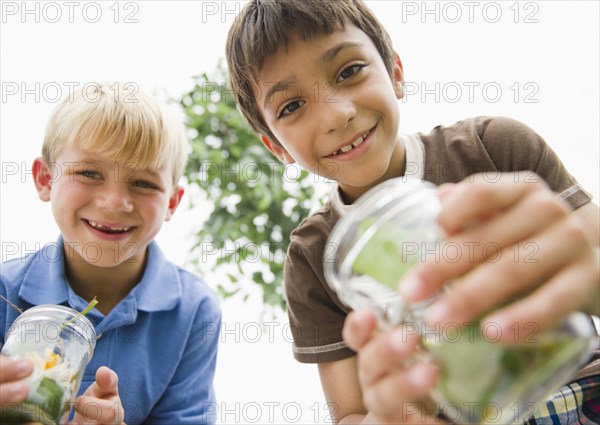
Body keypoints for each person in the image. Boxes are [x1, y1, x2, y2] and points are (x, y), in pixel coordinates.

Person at [224, 0, 600, 423]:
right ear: (276, 147)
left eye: (349, 71)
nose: (337, 115)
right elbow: (351, 414)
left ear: (396, 73)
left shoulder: (493, 148)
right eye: (291, 106)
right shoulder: (312, 257)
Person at [0, 82, 221, 425]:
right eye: (89, 173)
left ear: (172, 203)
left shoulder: (193, 311)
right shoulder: (4, 292)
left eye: (144, 183)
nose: (115, 202)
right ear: (45, 179)